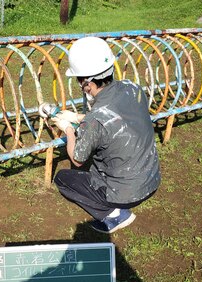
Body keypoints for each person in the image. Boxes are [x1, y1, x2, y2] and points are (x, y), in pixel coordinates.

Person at [51, 36, 161, 234]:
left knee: (63, 179)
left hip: (127, 193)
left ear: (88, 83)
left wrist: (67, 127)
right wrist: (78, 116)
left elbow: (77, 159)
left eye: (78, 81)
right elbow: (117, 117)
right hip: (152, 178)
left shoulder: (95, 119)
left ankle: (114, 215)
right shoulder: (133, 88)